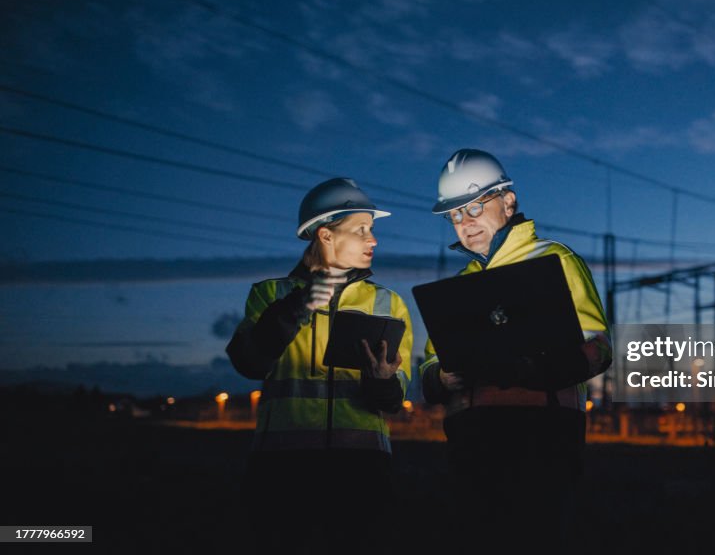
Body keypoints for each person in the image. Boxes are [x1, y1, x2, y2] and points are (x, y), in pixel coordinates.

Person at [419, 148, 613, 553]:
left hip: (541, 441)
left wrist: (543, 366)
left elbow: (599, 346)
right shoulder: (461, 283)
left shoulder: (555, 260)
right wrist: (441, 376)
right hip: (471, 444)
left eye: (474, 208)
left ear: (508, 201)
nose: (465, 225)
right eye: (455, 216)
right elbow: (432, 362)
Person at [226, 177, 413, 553]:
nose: (373, 240)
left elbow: (395, 397)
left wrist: (383, 381)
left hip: (362, 471)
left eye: (372, 230)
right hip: (282, 472)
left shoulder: (387, 303)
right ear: (326, 235)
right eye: (361, 230)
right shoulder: (271, 294)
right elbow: (248, 362)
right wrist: (298, 305)